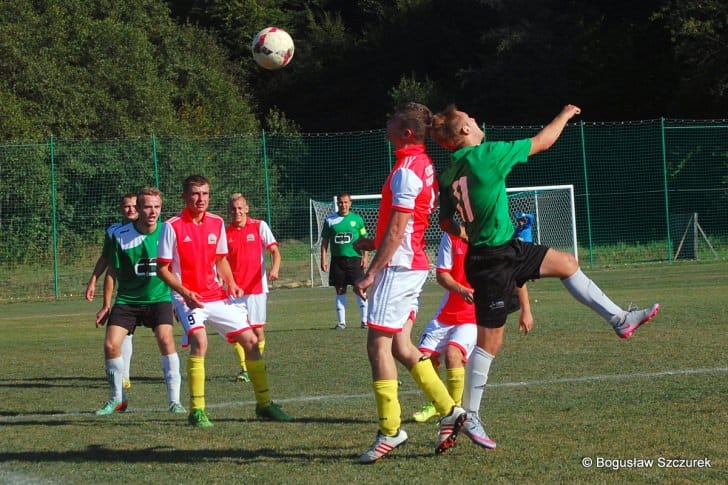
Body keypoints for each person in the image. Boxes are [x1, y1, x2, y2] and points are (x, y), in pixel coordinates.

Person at [431, 103, 660, 449]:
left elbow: (446, 223)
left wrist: (467, 235)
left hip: (503, 250)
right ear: (464, 131)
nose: (478, 121)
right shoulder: (487, 154)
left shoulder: (449, 174)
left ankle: (620, 319)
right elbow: (543, 141)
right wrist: (566, 114)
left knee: (566, 262)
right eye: (471, 119)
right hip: (492, 261)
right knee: (490, 343)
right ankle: (469, 415)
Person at [352, 102, 466, 464]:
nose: (386, 121)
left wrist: (371, 270)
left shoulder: (406, 170)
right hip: (410, 263)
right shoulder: (422, 164)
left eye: (393, 118)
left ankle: (390, 431)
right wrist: (374, 242)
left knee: (378, 347)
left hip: (399, 268)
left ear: (405, 132)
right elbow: (406, 223)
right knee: (401, 346)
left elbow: (400, 228)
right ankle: (449, 409)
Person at [156, 175, 292, 427]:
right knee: (200, 341)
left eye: (205, 194)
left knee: (251, 340)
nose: (201, 199)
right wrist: (185, 293)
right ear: (185, 196)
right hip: (187, 297)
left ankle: (264, 405)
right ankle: (197, 410)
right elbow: (162, 269)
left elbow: (220, 259)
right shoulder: (171, 226)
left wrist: (230, 282)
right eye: (196, 194)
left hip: (215, 294)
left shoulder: (217, 222)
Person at [411, 233, 532, 424]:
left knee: (453, 355)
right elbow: (442, 275)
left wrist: (526, 310)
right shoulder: (450, 237)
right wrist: (461, 290)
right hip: (447, 312)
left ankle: (452, 408)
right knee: (421, 359)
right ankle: (438, 402)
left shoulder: (492, 236)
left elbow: (516, 276)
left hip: (475, 313)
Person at [94, 187, 186, 416]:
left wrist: (179, 299)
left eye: (157, 207)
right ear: (138, 208)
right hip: (127, 300)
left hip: (159, 298)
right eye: (147, 206)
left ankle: (175, 402)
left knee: (166, 341)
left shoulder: (168, 231)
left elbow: (178, 267)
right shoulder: (121, 235)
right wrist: (106, 304)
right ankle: (118, 399)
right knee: (110, 345)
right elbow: (112, 272)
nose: (152, 211)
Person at [226, 193, 281, 383]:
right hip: (234, 291)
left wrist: (274, 267)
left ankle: (257, 361)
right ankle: (245, 368)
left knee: (257, 330)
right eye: (233, 209)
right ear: (229, 211)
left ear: (246, 208)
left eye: (240, 208)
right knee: (236, 331)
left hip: (256, 288)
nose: (237, 212)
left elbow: (274, 250)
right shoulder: (225, 233)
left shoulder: (259, 226)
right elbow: (220, 260)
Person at [86, 193, 138, 390]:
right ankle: (124, 376)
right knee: (125, 334)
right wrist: (93, 280)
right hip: (127, 293)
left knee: (165, 337)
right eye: (126, 206)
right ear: (120, 209)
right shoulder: (114, 231)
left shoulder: (150, 229)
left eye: (134, 205)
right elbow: (106, 259)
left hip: (153, 292)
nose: (131, 209)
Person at [320, 192, 369, 329]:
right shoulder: (330, 220)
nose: (343, 205)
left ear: (350, 203)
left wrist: (365, 257)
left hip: (355, 259)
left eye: (346, 202)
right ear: (337, 204)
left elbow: (364, 240)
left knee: (360, 289)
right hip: (337, 260)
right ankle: (342, 322)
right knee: (340, 290)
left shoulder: (358, 219)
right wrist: (323, 259)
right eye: (341, 202)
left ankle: (365, 321)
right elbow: (325, 242)